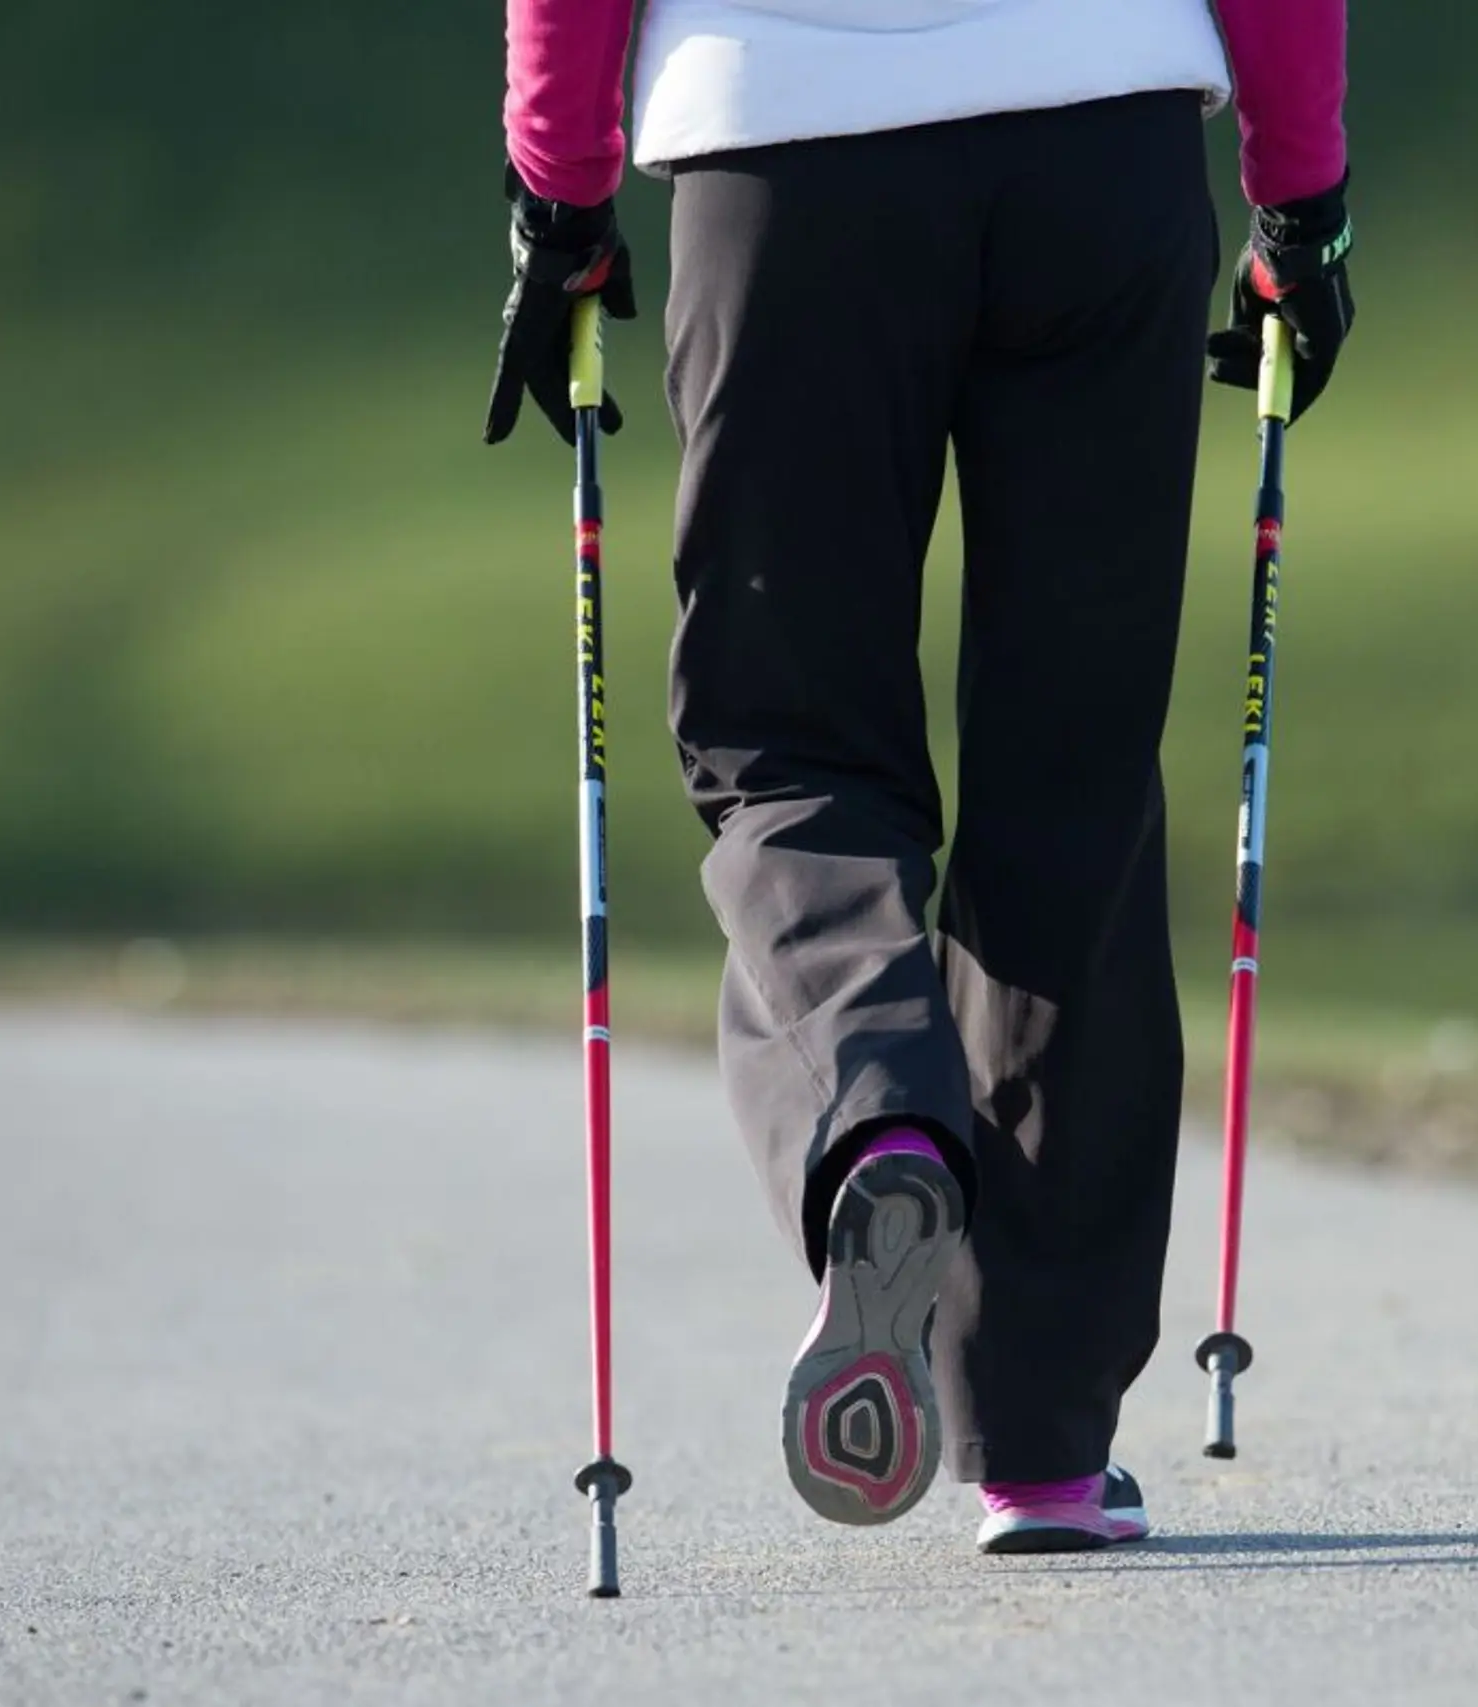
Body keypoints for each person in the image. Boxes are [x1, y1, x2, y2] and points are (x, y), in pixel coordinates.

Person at [487, 0, 1352, 1555]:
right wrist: (1303, 191)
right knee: (1069, 772)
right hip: (1104, 137)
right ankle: (1040, 1441)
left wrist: (560, 191)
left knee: (792, 751)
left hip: (786, 157)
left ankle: (877, 1120)